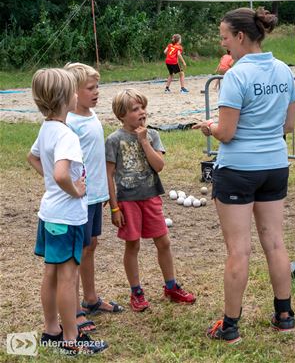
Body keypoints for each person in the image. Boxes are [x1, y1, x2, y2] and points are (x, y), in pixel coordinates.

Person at [192, 7, 295, 344]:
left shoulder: (236, 76)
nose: (223, 45)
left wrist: (209, 128)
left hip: (238, 169)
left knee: (238, 251)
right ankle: (284, 316)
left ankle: (230, 327)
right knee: (275, 241)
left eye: (224, 38)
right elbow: (289, 126)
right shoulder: (283, 70)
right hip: (275, 166)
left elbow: (226, 132)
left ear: (240, 37)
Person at [27, 68, 107, 355]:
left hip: (48, 213)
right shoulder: (67, 135)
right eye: (74, 91)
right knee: (67, 277)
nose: (77, 95)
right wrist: (75, 189)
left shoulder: (47, 127)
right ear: (65, 98)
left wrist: (52, 183)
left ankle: (51, 330)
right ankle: (72, 339)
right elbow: (62, 174)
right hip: (67, 216)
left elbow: (32, 156)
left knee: (50, 272)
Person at [105, 88, 196, 312]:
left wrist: (144, 142)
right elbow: (108, 175)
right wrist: (115, 207)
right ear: (121, 115)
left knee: (163, 242)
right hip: (127, 201)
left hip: (151, 197)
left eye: (143, 107)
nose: (141, 112)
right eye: (135, 109)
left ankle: (171, 286)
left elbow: (159, 166)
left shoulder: (153, 135)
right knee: (133, 245)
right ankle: (136, 292)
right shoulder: (114, 140)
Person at [64, 63, 124, 334]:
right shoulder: (69, 122)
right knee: (77, 252)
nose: (97, 92)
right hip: (79, 199)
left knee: (91, 246)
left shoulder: (90, 115)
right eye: (90, 88)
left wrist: (102, 194)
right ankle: (73, 310)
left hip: (95, 196)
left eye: (97, 86)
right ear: (73, 92)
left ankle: (91, 299)